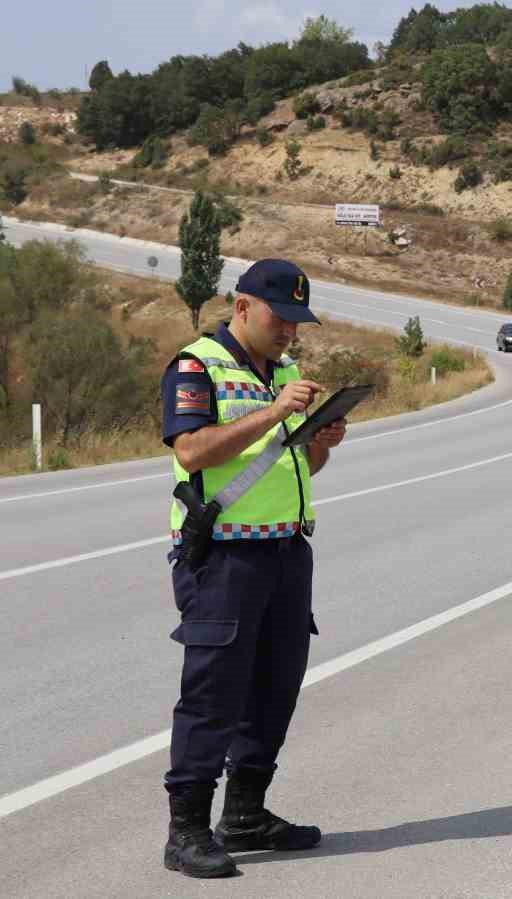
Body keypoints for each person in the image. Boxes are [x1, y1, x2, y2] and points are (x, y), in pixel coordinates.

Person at [159, 259, 345, 878]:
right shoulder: (197, 364)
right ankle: (185, 831)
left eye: (298, 321)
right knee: (214, 695)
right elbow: (192, 449)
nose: (290, 332)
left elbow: (295, 469)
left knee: (275, 688)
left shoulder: (285, 371)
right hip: (226, 558)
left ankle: (245, 815)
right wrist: (272, 412)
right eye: (280, 318)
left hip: (286, 552)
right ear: (243, 306)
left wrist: (321, 442)